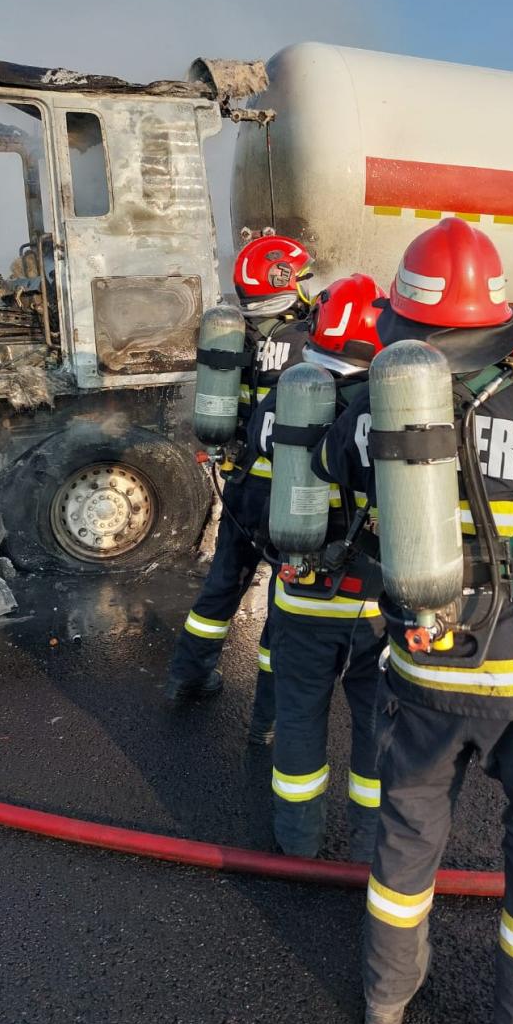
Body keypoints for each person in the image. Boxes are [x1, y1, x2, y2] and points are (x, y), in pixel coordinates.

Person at [314, 218, 513, 1024]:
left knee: (403, 843)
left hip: (420, 670)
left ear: (401, 320)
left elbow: (336, 467)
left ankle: (384, 999)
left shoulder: (371, 401)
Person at [247, 273, 387, 863]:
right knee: (377, 728)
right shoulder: (389, 403)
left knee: (300, 720)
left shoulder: (288, 394)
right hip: (376, 605)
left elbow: (257, 447)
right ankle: (370, 848)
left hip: (300, 596)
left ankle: (297, 842)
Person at [163, 231, 314, 728]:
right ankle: (267, 712)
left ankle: (189, 672)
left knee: (223, 583)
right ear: (283, 279)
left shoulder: (237, 335)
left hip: (242, 485)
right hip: (288, 492)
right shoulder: (307, 339)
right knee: (284, 601)